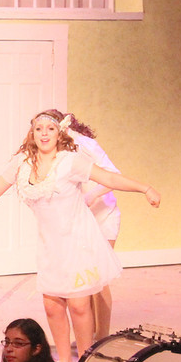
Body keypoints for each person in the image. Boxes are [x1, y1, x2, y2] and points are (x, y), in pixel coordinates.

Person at [0, 110, 160, 362]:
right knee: (52, 306)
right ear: (32, 133)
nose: (44, 134)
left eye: (50, 129)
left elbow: (109, 177)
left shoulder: (70, 162)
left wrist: (145, 188)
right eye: (39, 129)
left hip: (78, 242)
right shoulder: (22, 163)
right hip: (50, 245)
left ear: (59, 133)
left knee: (78, 305)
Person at [65, 114, 123, 342]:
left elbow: (113, 174)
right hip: (81, 219)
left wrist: (92, 195)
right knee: (84, 277)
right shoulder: (55, 151)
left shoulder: (84, 144)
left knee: (99, 276)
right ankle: (87, 333)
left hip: (103, 215)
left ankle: (102, 336)